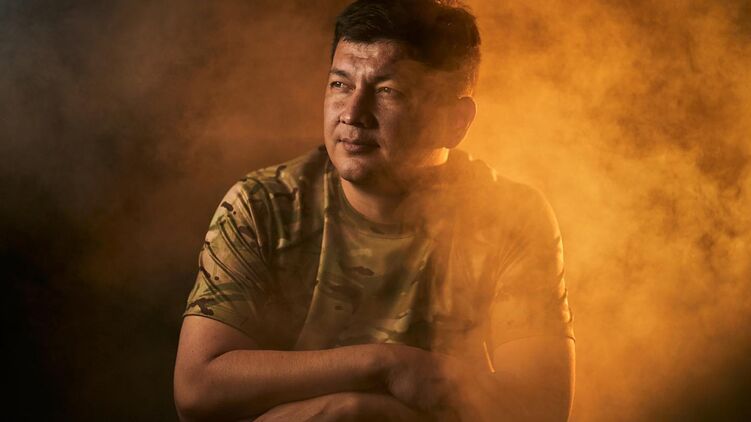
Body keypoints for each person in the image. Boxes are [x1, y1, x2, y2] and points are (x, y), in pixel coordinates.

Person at [173, 0, 575, 420]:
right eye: (340, 84)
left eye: (388, 91)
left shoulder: (508, 216)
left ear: (455, 122)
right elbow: (197, 390)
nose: (352, 114)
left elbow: (540, 409)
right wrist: (383, 369)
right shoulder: (262, 205)